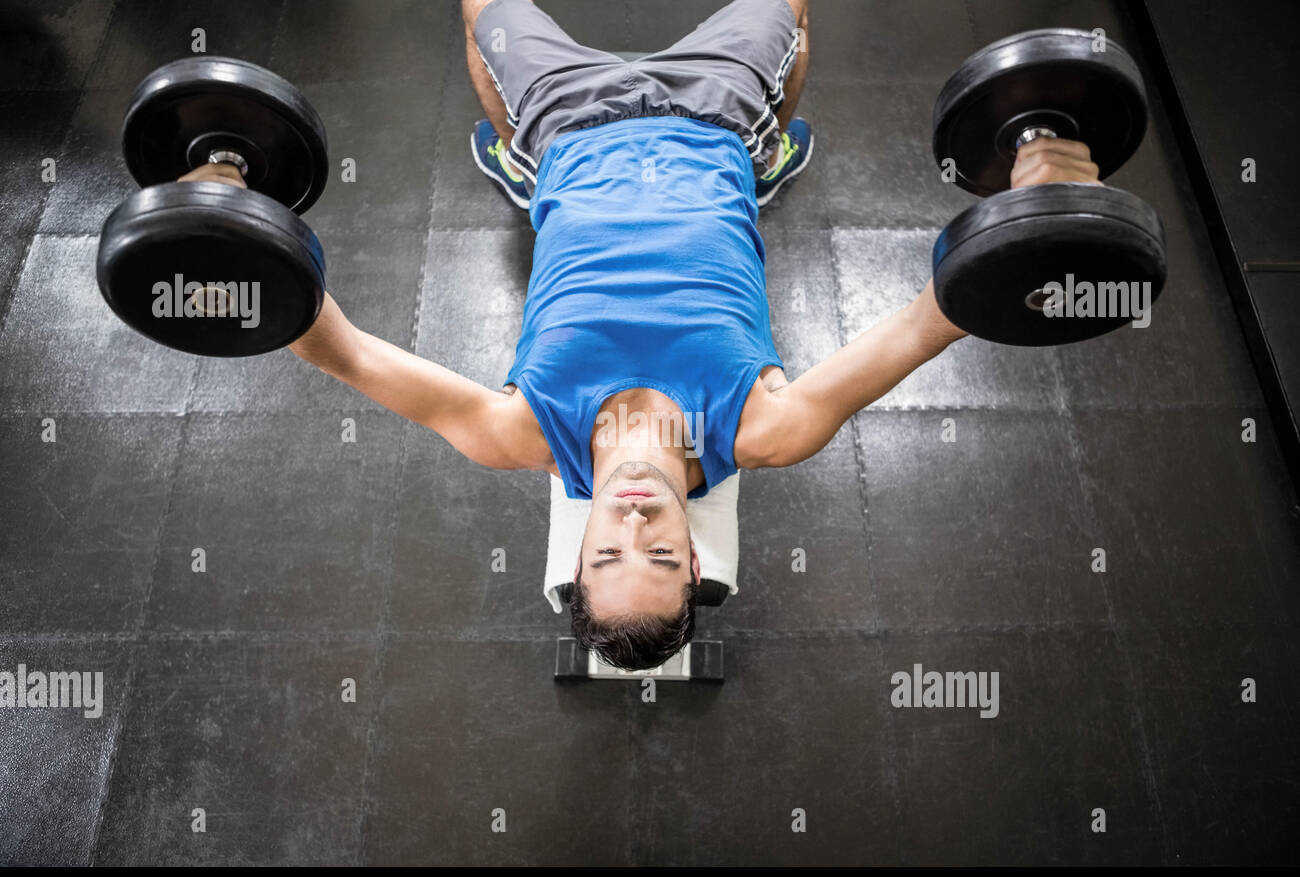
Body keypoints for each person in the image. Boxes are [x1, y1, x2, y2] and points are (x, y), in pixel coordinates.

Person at [183, 0, 1103, 671]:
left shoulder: (522, 434)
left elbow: (332, 345)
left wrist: (222, 202)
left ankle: (518, 156)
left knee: (481, 14)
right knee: (788, 9)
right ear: (693, 557)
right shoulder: (763, 429)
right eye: (659, 554)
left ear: (576, 551)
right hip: (717, 114)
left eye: (606, 551)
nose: (631, 521)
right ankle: (770, 148)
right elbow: (930, 318)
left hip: (566, 119)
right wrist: (1038, 186)